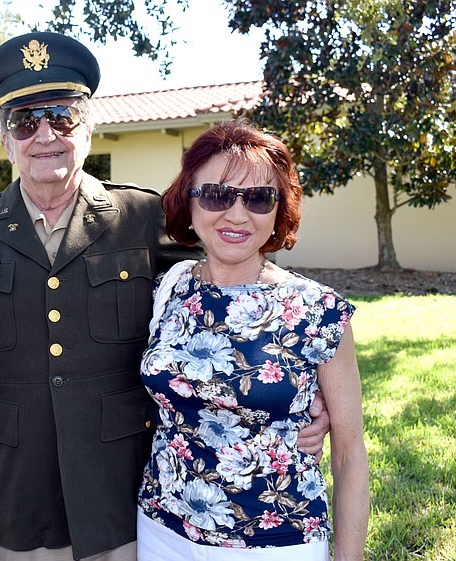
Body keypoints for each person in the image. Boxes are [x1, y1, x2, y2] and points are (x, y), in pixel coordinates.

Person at [0, 33, 331, 561]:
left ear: (89, 128)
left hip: (119, 487)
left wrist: (309, 389)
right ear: (5, 139)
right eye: (24, 121)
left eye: (62, 115)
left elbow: (229, 280)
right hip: (13, 489)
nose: (45, 134)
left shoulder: (142, 218)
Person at [137, 118, 369, 560]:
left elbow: (350, 454)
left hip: (277, 542)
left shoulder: (318, 311)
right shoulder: (168, 288)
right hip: (161, 529)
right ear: (189, 200)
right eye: (217, 195)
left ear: (279, 210)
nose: (237, 214)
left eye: (259, 198)